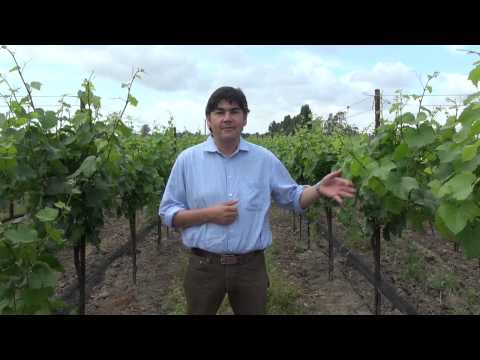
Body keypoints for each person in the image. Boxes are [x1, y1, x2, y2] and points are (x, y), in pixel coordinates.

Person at [159, 86, 356, 315]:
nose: (227, 118)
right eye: (219, 112)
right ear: (208, 120)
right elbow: (167, 213)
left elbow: (292, 197)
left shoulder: (264, 160)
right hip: (204, 267)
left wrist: (318, 189)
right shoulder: (187, 160)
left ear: (245, 119)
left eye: (234, 111)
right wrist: (208, 214)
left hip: (250, 269)